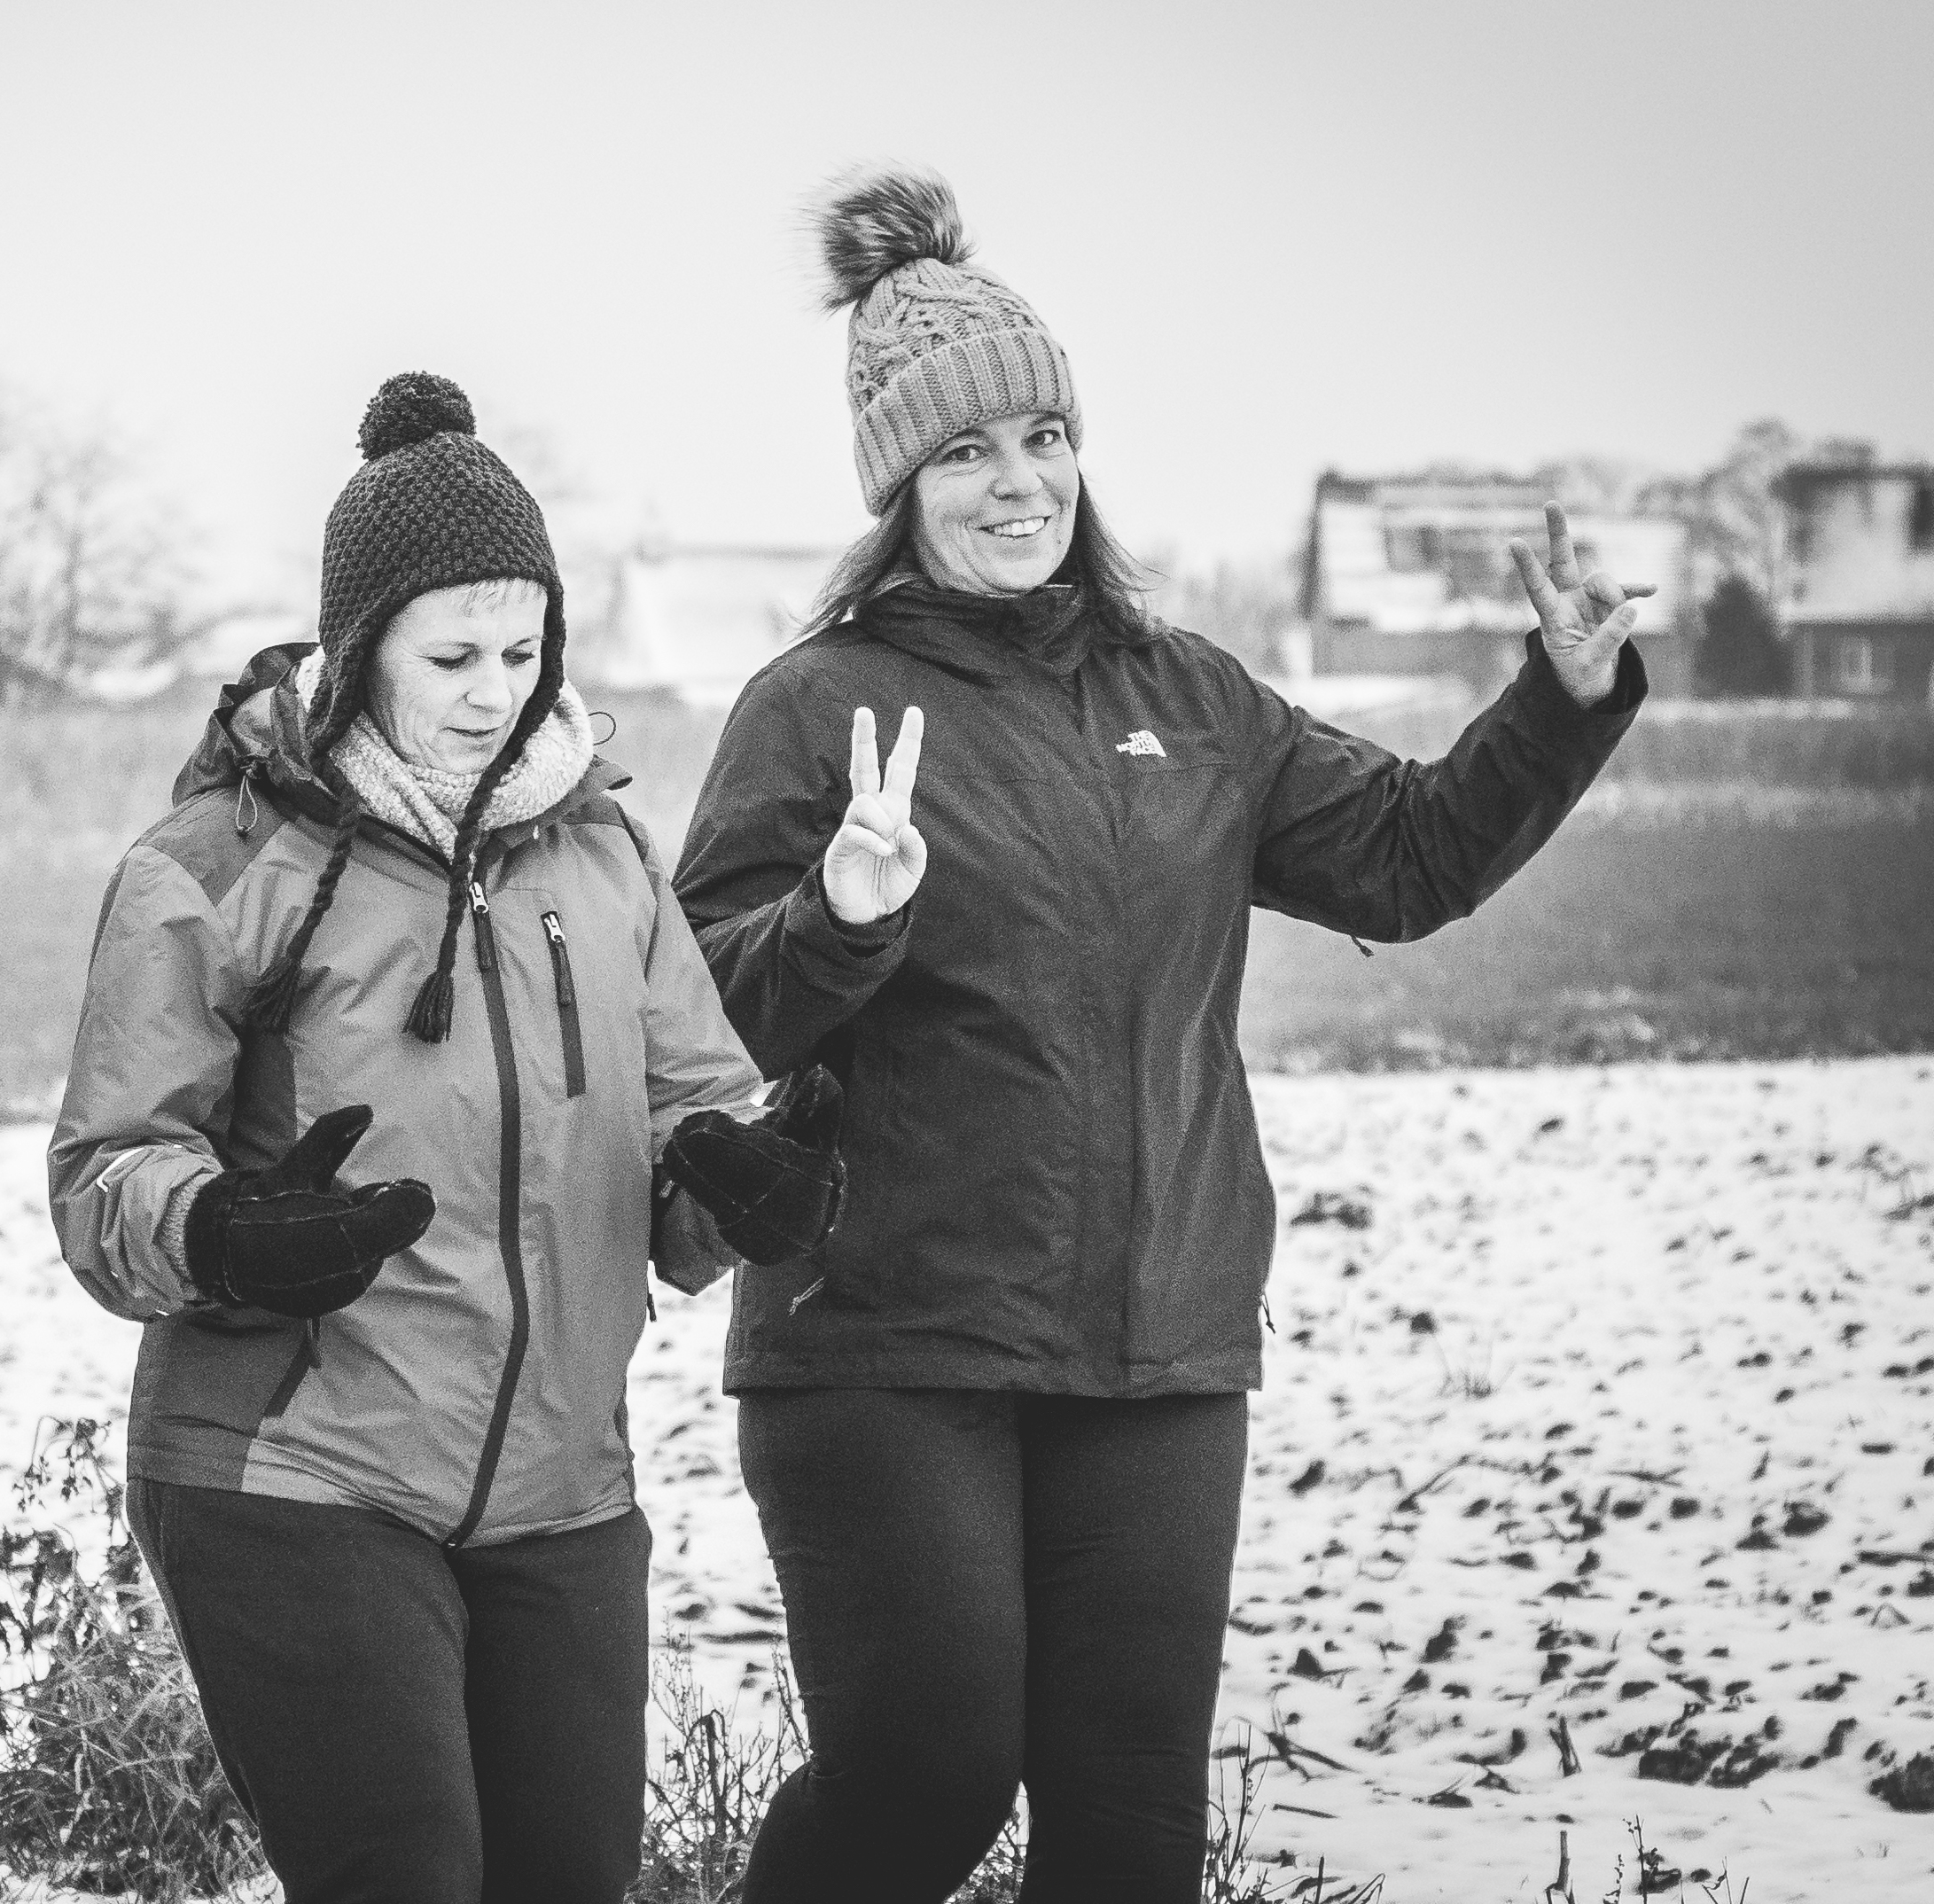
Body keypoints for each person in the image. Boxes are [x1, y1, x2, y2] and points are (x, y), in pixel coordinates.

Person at [673, 168, 1649, 1901]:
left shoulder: (1190, 698)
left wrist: (1558, 704)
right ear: (898, 487)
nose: (1021, 481)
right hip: (888, 1348)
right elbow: (700, 1016)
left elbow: (1410, 855)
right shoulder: (817, 707)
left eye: (1045, 437)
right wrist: (842, 913)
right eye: (969, 452)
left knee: (1129, 1840)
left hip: (1159, 1348)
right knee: (930, 1781)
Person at [49, 373, 847, 1904]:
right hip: (293, 1469)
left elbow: (688, 1117)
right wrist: (221, 1230)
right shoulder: (221, 858)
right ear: (361, 654)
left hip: (565, 1488)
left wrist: (740, 1185)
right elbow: (105, 1175)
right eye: (452, 657)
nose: (496, 693)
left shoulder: (605, 852)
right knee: (406, 1874)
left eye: (524, 653)